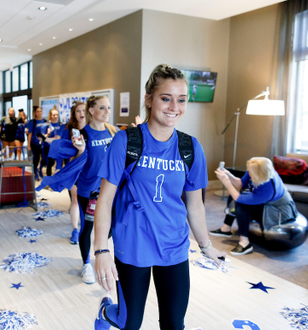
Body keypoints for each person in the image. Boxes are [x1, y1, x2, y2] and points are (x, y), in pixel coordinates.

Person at [92, 64, 225, 330]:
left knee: (174, 324)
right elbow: (105, 200)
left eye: (181, 100)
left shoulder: (190, 148)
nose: (174, 106)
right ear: (149, 100)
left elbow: (195, 205)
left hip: (174, 247)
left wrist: (206, 245)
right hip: (133, 246)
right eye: (166, 98)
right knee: (130, 323)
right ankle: (106, 311)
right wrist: (101, 251)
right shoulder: (126, 141)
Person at [67, 95, 118, 285]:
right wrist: (80, 151)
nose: (107, 112)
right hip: (89, 190)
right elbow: (74, 164)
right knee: (88, 227)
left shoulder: (113, 132)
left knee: (111, 226)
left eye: (109, 108)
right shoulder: (83, 134)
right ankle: (87, 264)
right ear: (91, 110)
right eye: (102, 108)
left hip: (111, 189)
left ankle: (101, 255)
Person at [211, 157, 295, 256]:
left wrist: (225, 181)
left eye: (250, 171)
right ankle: (226, 228)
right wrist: (228, 175)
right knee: (233, 196)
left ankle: (245, 243)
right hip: (264, 201)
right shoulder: (254, 170)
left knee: (241, 205)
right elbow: (241, 184)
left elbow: (238, 198)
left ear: (259, 174)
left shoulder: (269, 187)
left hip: (276, 209)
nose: (248, 172)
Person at [60, 101, 87, 245]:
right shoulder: (68, 130)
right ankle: (75, 230)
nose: (81, 113)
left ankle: (85, 226)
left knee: (87, 201)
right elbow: (62, 150)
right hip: (73, 169)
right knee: (75, 199)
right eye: (78, 111)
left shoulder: (92, 129)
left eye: (84, 110)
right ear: (74, 114)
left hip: (90, 171)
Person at [27, 106, 49, 180]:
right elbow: (29, 134)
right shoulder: (32, 122)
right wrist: (28, 145)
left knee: (44, 158)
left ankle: (40, 169)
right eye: (37, 111)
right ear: (35, 113)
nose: (39, 113)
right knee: (36, 158)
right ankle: (34, 172)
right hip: (35, 143)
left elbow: (48, 132)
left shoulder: (45, 121)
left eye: (40, 111)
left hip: (44, 143)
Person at [44, 108, 63, 176]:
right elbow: (43, 136)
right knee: (49, 164)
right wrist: (47, 134)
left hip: (59, 147)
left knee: (59, 164)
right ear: (50, 116)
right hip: (49, 147)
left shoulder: (61, 125)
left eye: (57, 115)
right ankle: (49, 180)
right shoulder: (47, 125)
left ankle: (57, 180)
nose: (55, 116)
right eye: (54, 115)